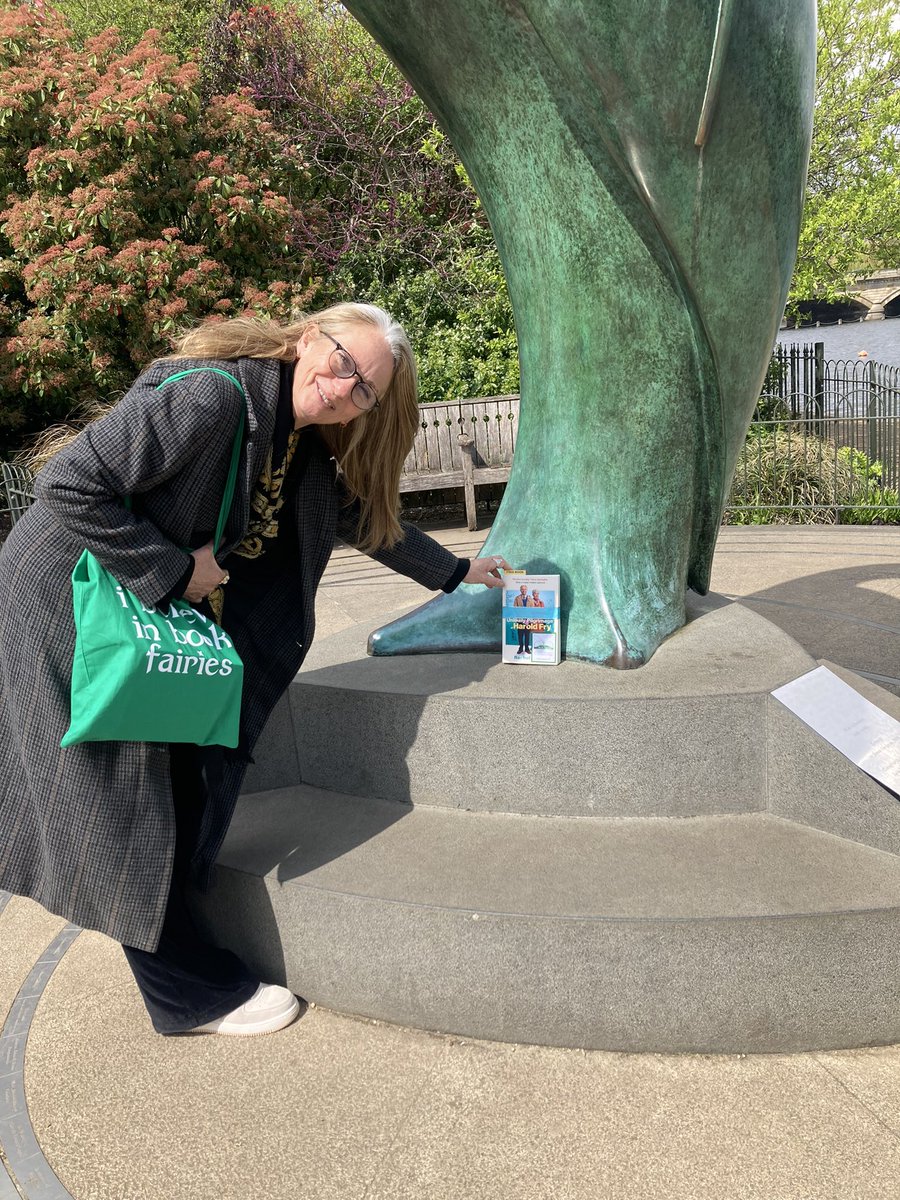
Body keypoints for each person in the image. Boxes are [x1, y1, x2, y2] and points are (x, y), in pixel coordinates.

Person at [0, 302, 510, 1037]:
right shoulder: (213, 399)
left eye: (364, 388)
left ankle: (170, 929)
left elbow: (362, 521)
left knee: (167, 773)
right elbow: (69, 485)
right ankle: (185, 993)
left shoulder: (296, 442)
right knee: (115, 786)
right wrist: (175, 572)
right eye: (340, 361)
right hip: (65, 592)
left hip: (120, 594)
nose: (342, 388)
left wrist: (458, 571)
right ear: (308, 340)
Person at [512, 582, 534, 657]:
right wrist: (520, 617)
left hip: (528, 620)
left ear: (527, 590)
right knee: (520, 635)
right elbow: (514, 608)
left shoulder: (530, 599)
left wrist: (528, 619)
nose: (524, 590)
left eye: (525, 589)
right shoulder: (517, 598)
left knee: (527, 635)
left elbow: (532, 609)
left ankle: (527, 648)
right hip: (520, 620)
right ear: (520, 590)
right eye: (522, 589)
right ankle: (521, 648)